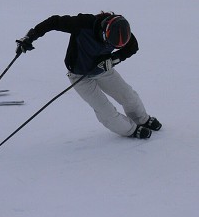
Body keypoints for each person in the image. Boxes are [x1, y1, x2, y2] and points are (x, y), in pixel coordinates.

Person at [15, 12, 161, 139]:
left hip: (103, 70)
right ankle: (131, 130)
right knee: (106, 112)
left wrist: (114, 59)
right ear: (105, 29)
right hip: (80, 76)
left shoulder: (122, 31)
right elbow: (54, 21)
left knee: (129, 96)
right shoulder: (83, 24)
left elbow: (132, 47)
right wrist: (30, 37)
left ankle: (142, 119)